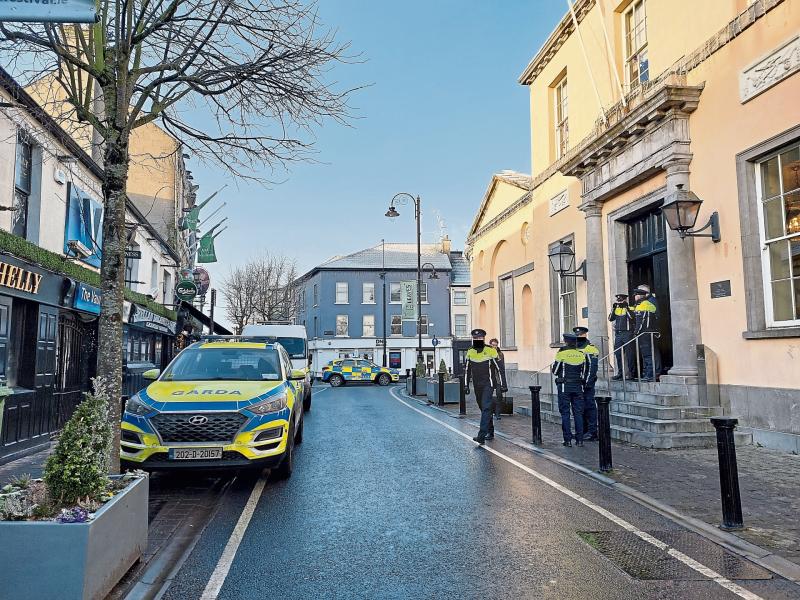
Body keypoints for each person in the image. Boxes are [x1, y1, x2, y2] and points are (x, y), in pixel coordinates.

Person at [465, 328, 506, 445]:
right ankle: (490, 431)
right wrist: (466, 385)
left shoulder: (490, 351)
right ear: (473, 339)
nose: (478, 340)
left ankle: (481, 436)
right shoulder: (470, 351)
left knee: (486, 407)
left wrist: (503, 385)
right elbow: (467, 370)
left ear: (484, 339)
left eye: (480, 338)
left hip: (489, 384)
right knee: (483, 408)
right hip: (477, 385)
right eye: (475, 338)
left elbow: (499, 369)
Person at [552, 333, 590, 447]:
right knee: (578, 413)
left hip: (564, 387)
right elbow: (585, 373)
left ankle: (567, 440)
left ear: (566, 342)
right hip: (578, 387)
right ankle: (580, 440)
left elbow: (555, 371)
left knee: (565, 413)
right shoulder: (581, 354)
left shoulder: (561, 354)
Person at [573, 326, 599, 442]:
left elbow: (592, 368)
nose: (578, 337)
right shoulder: (575, 348)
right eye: (577, 335)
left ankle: (592, 432)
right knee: (580, 408)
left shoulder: (591, 349)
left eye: (580, 335)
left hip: (587, 383)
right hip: (577, 383)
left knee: (590, 407)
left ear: (585, 335)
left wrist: (587, 382)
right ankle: (582, 431)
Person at [632, 284, 658, 381]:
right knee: (647, 355)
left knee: (647, 355)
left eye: (635, 295)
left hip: (644, 333)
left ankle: (649, 375)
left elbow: (641, 321)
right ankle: (647, 374)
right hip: (649, 332)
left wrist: (636, 333)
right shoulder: (649, 304)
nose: (634, 297)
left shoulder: (642, 306)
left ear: (639, 296)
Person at [608, 293, 635, 380]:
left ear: (625, 300)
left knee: (630, 354)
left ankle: (631, 373)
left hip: (627, 333)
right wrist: (614, 308)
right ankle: (620, 373)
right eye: (618, 300)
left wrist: (626, 307)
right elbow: (610, 318)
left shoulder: (630, 307)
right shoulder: (617, 309)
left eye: (621, 300)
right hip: (618, 334)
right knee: (618, 353)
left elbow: (632, 318)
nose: (620, 302)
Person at [489, 338, 506, 420]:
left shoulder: (500, 354)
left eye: (495, 345)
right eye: (492, 345)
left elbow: (502, 368)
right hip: (490, 378)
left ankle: (497, 413)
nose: (494, 347)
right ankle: (490, 412)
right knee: (489, 395)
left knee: (499, 395)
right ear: (490, 345)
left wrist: (504, 384)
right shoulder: (487, 354)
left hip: (498, 378)